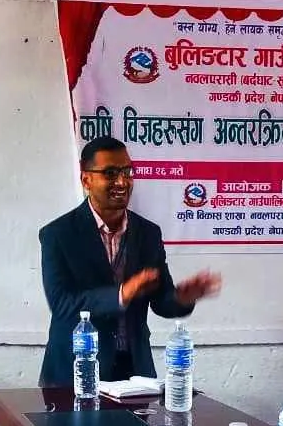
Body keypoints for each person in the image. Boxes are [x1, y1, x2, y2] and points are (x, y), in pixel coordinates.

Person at [38, 136, 223, 387]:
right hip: (76, 371)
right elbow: (62, 304)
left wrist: (182, 298)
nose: (122, 182)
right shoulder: (58, 235)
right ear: (86, 180)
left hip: (134, 371)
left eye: (127, 172)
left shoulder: (147, 233)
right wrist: (122, 294)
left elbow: (161, 301)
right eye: (110, 173)